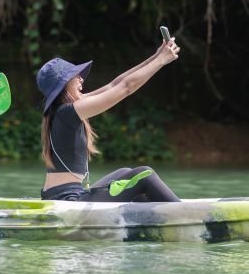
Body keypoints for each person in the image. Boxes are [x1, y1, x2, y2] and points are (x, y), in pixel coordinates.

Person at [37, 37, 182, 203]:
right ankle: (189, 216)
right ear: (64, 85)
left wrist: (156, 57)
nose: (81, 79)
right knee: (144, 175)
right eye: (75, 76)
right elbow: (125, 88)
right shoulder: (67, 112)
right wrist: (162, 60)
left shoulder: (61, 111)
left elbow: (114, 85)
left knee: (125, 173)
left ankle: (154, 223)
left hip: (59, 195)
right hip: (69, 199)